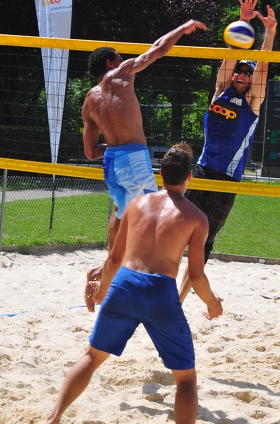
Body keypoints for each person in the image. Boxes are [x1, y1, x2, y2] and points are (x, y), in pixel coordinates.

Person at [43, 144, 223, 424]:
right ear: (190, 176)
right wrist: (212, 304)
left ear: (160, 173)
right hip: (159, 292)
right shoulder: (196, 218)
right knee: (186, 379)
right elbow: (196, 276)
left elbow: (114, 259)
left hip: (124, 285)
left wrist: (102, 292)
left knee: (91, 358)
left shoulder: (137, 204)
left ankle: (52, 418)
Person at [82, 19, 208, 310]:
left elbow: (90, 152)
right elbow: (156, 49)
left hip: (112, 163)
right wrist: (182, 28)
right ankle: (110, 282)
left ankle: (101, 274)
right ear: (112, 61)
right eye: (119, 57)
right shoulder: (122, 73)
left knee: (123, 214)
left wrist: (115, 147)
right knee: (153, 218)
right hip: (133, 160)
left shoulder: (89, 100)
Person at [179, 0, 277, 302]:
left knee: (203, 243)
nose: (242, 75)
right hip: (203, 171)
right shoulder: (220, 92)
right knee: (176, 230)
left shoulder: (253, 103)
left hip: (227, 181)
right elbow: (229, 60)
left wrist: (269, 34)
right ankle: (160, 288)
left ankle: (178, 300)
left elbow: (262, 69)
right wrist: (243, 22)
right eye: (240, 71)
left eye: (247, 74)